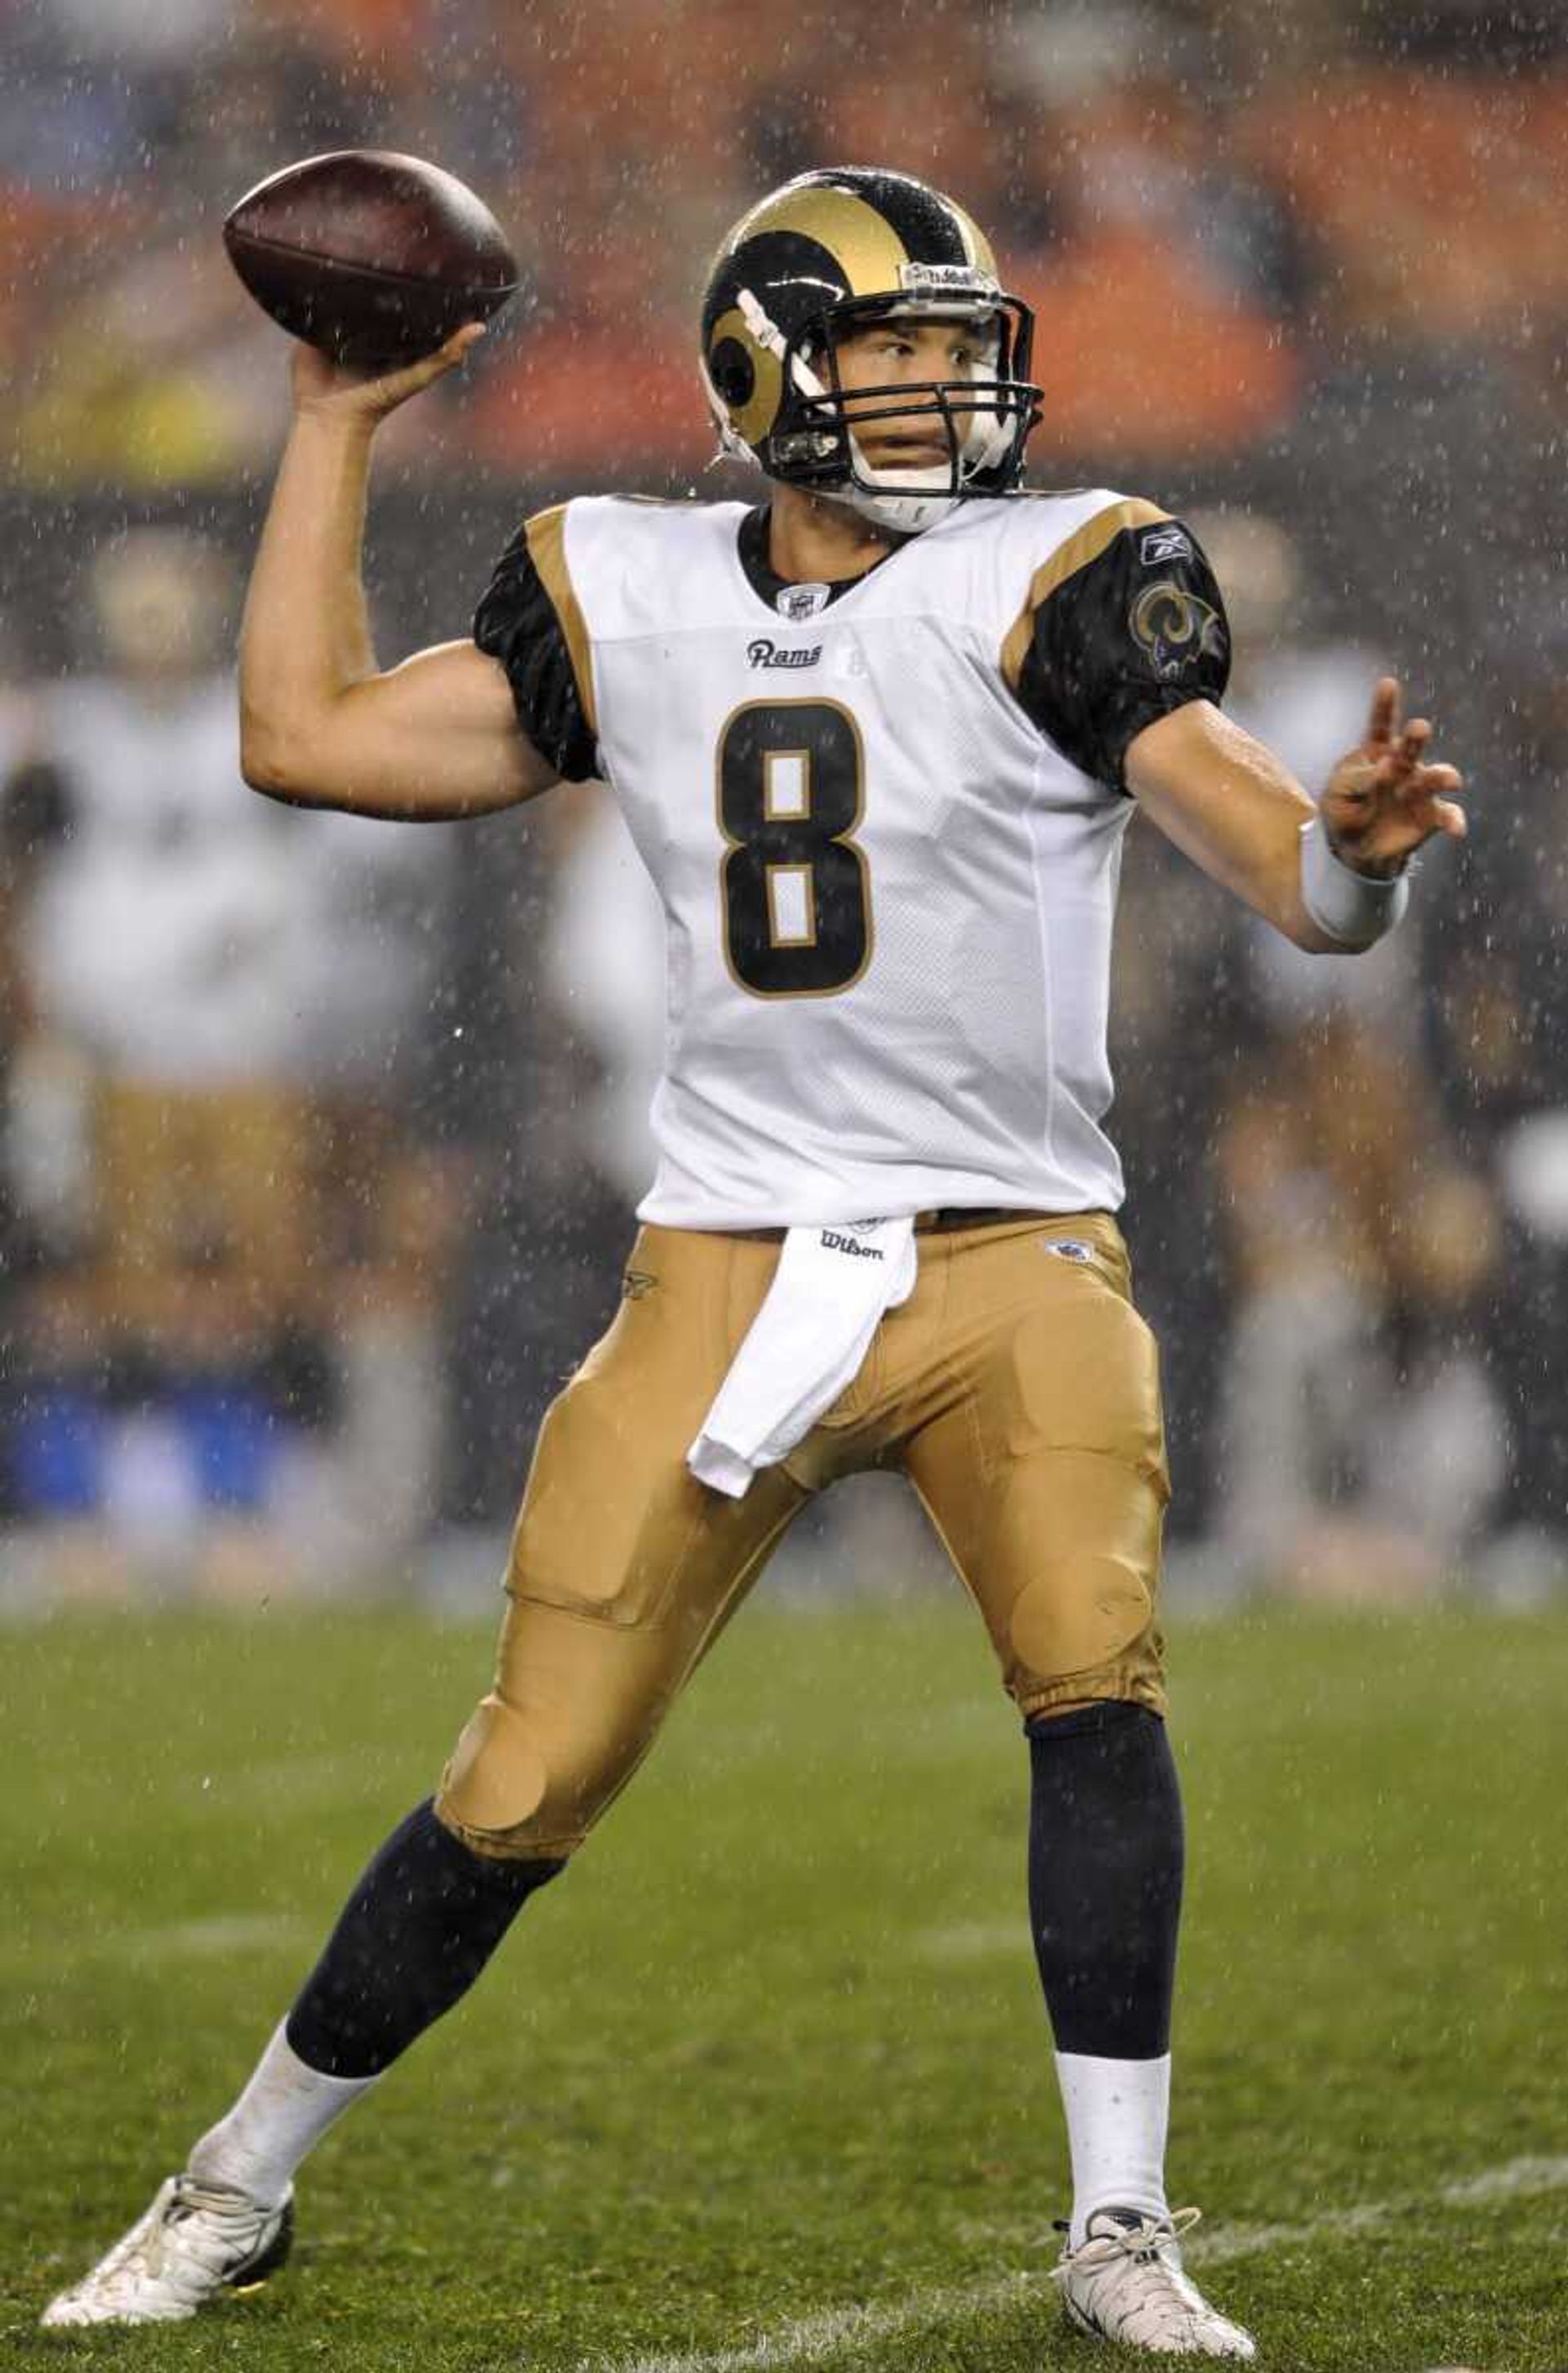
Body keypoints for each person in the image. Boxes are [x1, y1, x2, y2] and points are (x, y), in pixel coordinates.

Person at [42, 167, 1466, 2357]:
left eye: (959, 353)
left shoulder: (1057, 574)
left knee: (1096, 1679)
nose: (952, 394)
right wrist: (328, 425)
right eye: (898, 356)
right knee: (523, 1775)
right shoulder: (622, 585)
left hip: (1008, 1257)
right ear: (765, 379)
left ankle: (1119, 2225)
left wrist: (1356, 863)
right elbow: (301, 736)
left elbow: (1283, 865)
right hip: (722, 1263)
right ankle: (234, 2181)